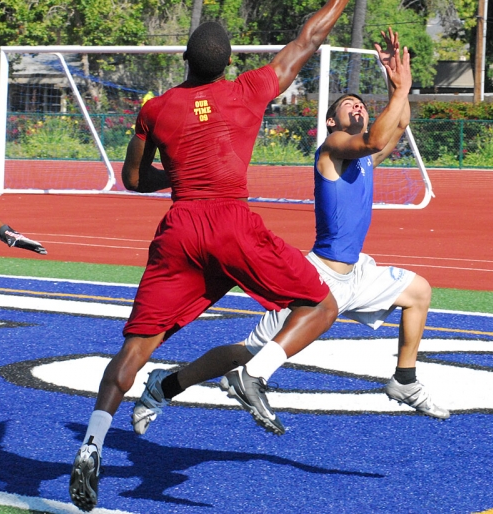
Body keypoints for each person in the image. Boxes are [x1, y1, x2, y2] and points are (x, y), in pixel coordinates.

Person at [69, 1, 351, 510]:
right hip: (231, 225)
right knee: (321, 305)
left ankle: (91, 445)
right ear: (228, 64)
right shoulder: (248, 90)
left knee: (134, 350)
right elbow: (307, 40)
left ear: (185, 59)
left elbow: (133, 180)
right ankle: (253, 373)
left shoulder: (155, 109)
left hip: (180, 230)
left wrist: (176, 178)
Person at [131, 28, 448, 442]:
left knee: (419, 292)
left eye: (360, 104)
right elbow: (376, 137)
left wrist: (397, 88)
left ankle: (404, 379)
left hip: (357, 274)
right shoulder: (333, 147)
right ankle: (166, 385)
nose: (355, 106)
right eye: (345, 105)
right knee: (247, 352)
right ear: (332, 122)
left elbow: (393, 127)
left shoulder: (369, 156)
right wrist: (398, 92)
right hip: (320, 278)